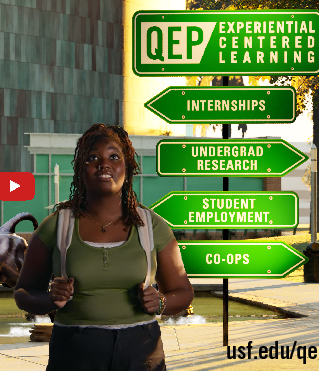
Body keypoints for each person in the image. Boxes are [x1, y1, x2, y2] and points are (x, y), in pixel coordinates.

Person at [14, 124, 193, 370]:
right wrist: (50, 300)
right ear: (81, 169)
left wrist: (161, 303)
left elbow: (183, 292)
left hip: (141, 352)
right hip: (74, 353)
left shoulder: (153, 227)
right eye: (92, 157)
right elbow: (23, 293)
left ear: (128, 168)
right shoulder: (55, 226)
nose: (103, 164)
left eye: (114, 157)